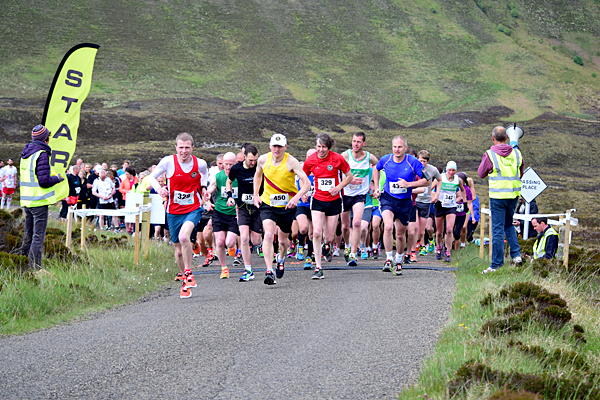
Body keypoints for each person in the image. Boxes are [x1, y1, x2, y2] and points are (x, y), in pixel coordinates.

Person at [148, 132, 208, 298]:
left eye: (187, 147)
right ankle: (185, 278)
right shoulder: (168, 162)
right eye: (181, 147)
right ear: (176, 148)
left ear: (192, 148)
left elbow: (205, 172)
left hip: (193, 208)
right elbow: (151, 177)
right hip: (173, 210)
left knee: (184, 238)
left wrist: (203, 187)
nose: (184, 151)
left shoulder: (199, 163)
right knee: (178, 250)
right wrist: (159, 189)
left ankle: (188, 272)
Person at [253, 133, 310, 285]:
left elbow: (306, 183)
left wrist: (297, 197)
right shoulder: (263, 159)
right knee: (269, 234)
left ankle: (281, 258)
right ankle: (269, 271)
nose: (276, 149)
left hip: (287, 205)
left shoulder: (291, 162)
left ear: (285, 147)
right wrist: (255, 195)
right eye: (274, 146)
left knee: (283, 241)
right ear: (270, 146)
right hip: (268, 203)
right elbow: (258, 176)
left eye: (280, 146)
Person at [372, 135, 428, 275]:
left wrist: (409, 184)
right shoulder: (386, 159)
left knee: (400, 235)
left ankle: (398, 259)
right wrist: (377, 186)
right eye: (394, 147)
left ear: (405, 148)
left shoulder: (413, 162)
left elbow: (427, 181)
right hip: (388, 198)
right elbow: (375, 169)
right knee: (388, 227)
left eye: (400, 147)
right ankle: (388, 259)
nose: (397, 150)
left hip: (404, 201)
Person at [302, 132, 353, 279]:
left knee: (329, 237)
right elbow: (303, 178)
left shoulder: (337, 158)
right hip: (317, 199)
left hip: (334, 200)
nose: (321, 150)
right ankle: (318, 267)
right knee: (317, 232)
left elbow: (349, 176)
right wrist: (304, 192)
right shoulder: (310, 160)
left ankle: (327, 247)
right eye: (319, 146)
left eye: (324, 147)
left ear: (329, 147)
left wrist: (338, 187)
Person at [479, 126, 524, 274]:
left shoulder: (489, 154)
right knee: (508, 224)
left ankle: (496, 264)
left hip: (498, 197)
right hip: (513, 196)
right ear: (506, 138)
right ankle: (516, 255)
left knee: (497, 229)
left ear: (493, 138)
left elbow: (481, 173)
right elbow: (521, 173)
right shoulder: (517, 153)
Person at [19, 125, 64, 269]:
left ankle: (22, 265)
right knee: (38, 237)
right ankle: (35, 269)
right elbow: (44, 182)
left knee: (28, 235)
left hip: (27, 201)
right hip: (38, 202)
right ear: (45, 139)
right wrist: (57, 178)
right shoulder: (42, 154)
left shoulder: (26, 153)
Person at [340, 132, 378, 266]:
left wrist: (374, 184)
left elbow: (378, 168)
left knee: (356, 223)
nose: (356, 144)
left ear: (364, 144)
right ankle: (347, 245)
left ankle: (353, 254)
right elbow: (336, 172)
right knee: (345, 227)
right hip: (345, 194)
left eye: (358, 142)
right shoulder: (345, 156)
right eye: (354, 141)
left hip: (360, 195)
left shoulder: (369, 157)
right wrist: (349, 180)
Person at [227, 144, 263, 281]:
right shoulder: (237, 168)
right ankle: (248, 270)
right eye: (250, 160)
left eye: (255, 160)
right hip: (243, 206)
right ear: (244, 157)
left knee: (256, 240)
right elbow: (229, 181)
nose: (253, 163)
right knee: (243, 238)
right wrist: (230, 196)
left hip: (258, 207)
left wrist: (261, 196)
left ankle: (261, 244)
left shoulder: (261, 167)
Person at [205, 152, 239, 280]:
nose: (228, 167)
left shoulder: (239, 176)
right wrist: (208, 203)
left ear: (236, 163)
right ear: (222, 163)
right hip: (219, 212)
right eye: (226, 164)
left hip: (234, 214)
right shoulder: (217, 177)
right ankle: (224, 268)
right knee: (219, 242)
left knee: (229, 243)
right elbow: (207, 193)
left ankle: (233, 246)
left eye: (231, 164)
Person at [415, 150, 442, 255]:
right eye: (420, 160)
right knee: (415, 227)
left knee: (421, 231)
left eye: (424, 161)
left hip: (426, 202)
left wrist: (437, 193)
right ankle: (414, 250)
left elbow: (440, 180)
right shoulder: (413, 168)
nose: (422, 163)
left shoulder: (432, 169)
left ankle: (420, 243)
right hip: (414, 200)